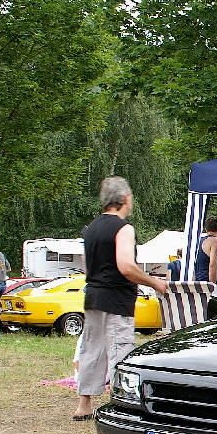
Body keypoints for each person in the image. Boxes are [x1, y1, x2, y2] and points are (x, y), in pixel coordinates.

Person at [74, 177, 168, 421]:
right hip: (116, 299)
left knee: (91, 350)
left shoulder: (91, 228)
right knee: (120, 351)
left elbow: (87, 267)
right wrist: (155, 283)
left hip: (93, 296)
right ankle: (121, 404)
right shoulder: (123, 228)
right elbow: (126, 266)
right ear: (126, 198)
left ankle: (84, 405)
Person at [194, 215, 217, 283]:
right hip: (208, 283)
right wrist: (212, 285)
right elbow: (213, 265)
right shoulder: (215, 242)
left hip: (198, 282)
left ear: (206, 229)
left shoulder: (198, 242)